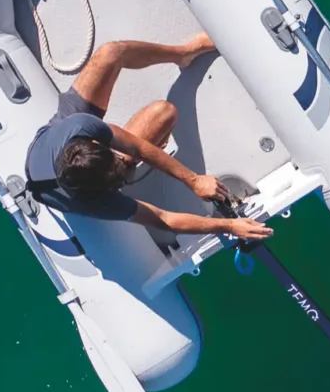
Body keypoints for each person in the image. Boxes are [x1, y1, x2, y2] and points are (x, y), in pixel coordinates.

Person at [24, 32, 272, 241]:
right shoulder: (101, 203)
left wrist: (194, 180)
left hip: (59, 131)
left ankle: (183, 54)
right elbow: (165, 219)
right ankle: (127, 166)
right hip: (72, 184)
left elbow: (139, 148)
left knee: (112, 52)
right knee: (163, 113)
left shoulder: (78, 125)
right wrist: (230, 226)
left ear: (91, 141)